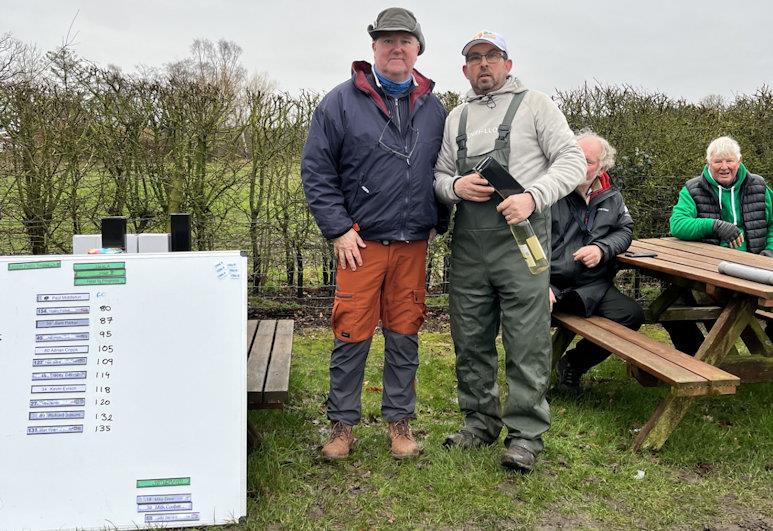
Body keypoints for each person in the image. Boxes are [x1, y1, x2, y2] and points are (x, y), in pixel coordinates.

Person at [434, 30, 585, 472]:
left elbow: (573, 161)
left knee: (526, 339)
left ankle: (526, 435)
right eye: (474, 58)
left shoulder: (536, 105)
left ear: (507, 63)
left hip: (523, 241)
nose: (483, 64)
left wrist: (533, 196)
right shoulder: (455, 117)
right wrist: (456, 187)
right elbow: (439, 176)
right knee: (471, 336)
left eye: (492, 56)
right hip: (470, 244)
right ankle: (478, 422)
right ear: (464, 69)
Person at [300, 7, 447, 461]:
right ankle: (342, 426)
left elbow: (444, 171)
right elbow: (317, 171)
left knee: (404, 334)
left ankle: (399, 423)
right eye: (387, 41)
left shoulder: (435, 108)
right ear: (374, 49)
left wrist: (440, 220)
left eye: (405, 40)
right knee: (351, 332)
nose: (396, 48)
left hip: (412, 244)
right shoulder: (340, 102)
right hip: (359, 245)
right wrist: (338, 228)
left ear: (418, 48)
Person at [550, 131, 644, 394]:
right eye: (575, 158)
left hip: (592, 286)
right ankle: (530, 388)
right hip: (550, 284)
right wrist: (536, 284)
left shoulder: (611, 195)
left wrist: (602, 249)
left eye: (588, 161)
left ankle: (573, 365)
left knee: (631, 316)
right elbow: (527, 238)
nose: (581, 165)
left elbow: (625, 231)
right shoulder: (551, 189)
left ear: (603, 165)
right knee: (526, 319)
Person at [667, 136, 773, 354]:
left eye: (729, 161)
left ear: (740, 161)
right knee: (672, 305)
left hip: (756, 270)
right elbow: (677, 224)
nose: (724, 167)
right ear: (708, 163)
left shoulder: (760, 187)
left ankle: (765, 355)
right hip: (710, 271)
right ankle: (696, 360)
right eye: (718, 162)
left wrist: (770, 250)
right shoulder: (693, 188)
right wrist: (714, 225)